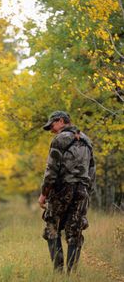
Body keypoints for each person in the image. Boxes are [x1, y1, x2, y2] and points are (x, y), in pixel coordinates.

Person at [38, 111, 96, 273]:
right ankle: (71, 275)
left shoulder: (59, 140)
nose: (51, 130)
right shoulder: (87, 140)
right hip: (82, 190)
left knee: (52, 228)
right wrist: (87, 192)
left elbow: (51, 171)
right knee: (75, 231)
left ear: (62, 121)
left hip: (62, 190)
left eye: (52, 125)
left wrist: (44, 194)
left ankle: (58, 273)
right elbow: (92, 171)